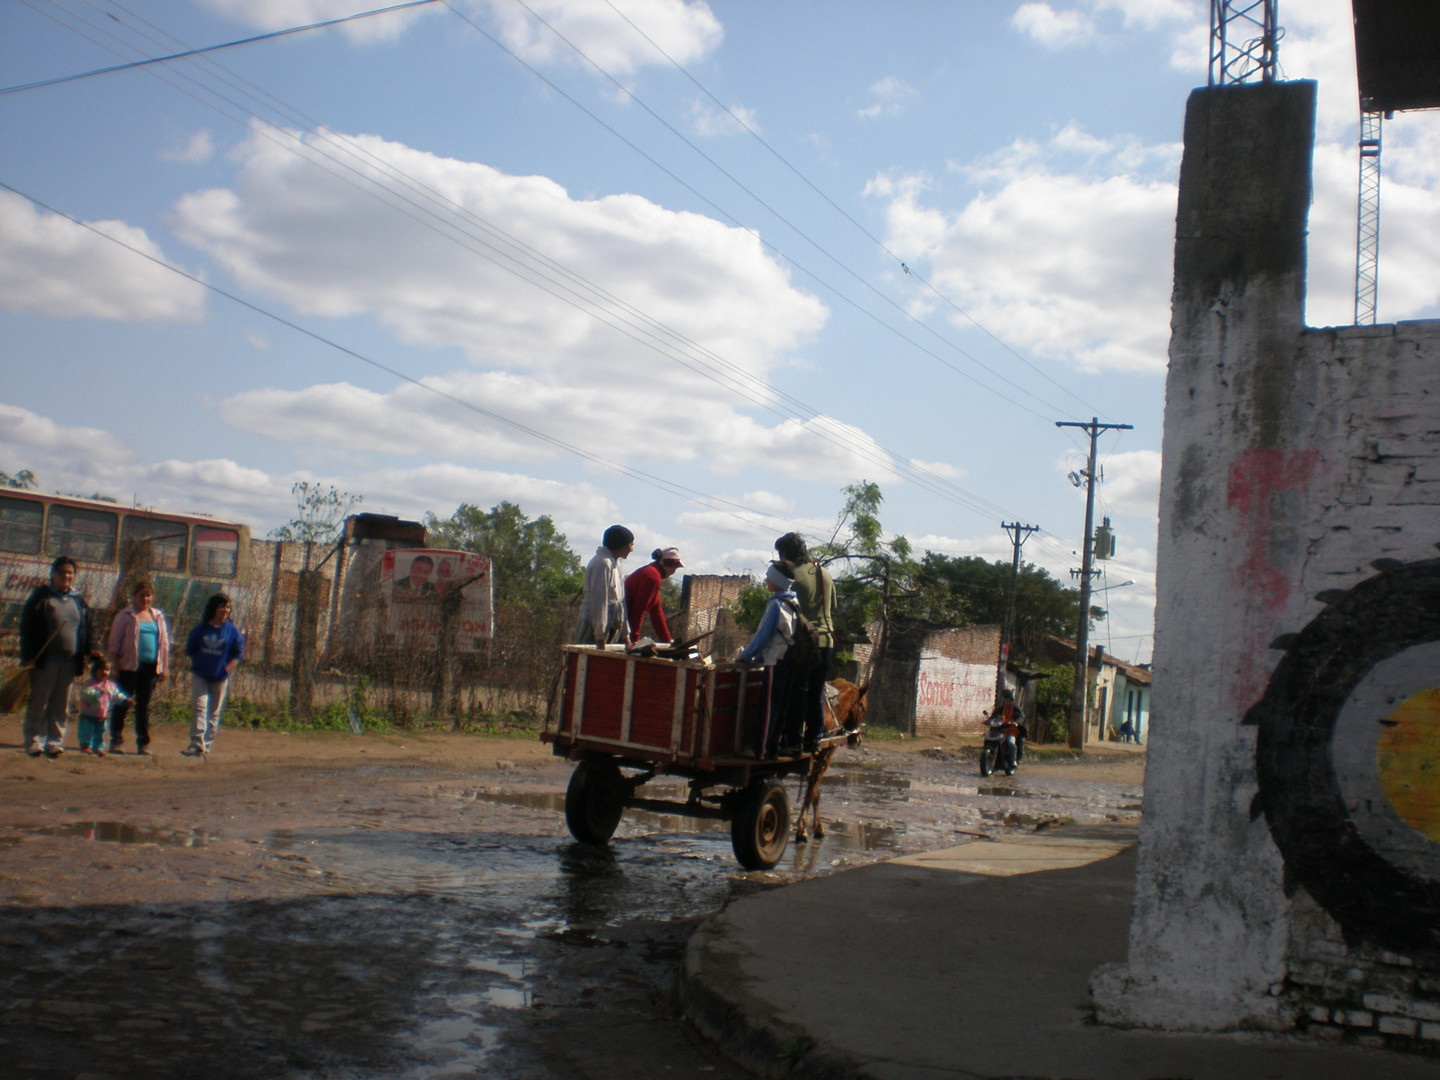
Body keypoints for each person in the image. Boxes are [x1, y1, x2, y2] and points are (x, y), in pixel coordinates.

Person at [19, 555, 92, 758]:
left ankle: (54, 741)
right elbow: (28, 629)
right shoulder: (41, 598)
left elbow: (86, 630)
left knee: (61, 705)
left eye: (70, 573)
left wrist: (87, 653)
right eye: (62, 572)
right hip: (45, 661)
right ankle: (34, 740)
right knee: (39, 702)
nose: (66, 576)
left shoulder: (79, 601)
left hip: (69, 662)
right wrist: (28, 656)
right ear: (53, 574)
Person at [774, 532, 835, 753]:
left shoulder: (794, 578)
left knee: (797, 691)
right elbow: (831, 607)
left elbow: (784, 613)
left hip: (805, 644)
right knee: (816, 691)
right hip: (827, 641)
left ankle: (792, 741)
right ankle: (814, 736)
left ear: (785, 555)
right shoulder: (825, 574)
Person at [737, 562, 799, 758]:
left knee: (768, 706)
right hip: (790, 658)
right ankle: (772, 747)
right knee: (781, 706)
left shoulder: (776, 604)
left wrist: (746, 656)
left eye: (769, 577)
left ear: (778, 581)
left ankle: (760, 750)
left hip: (776, 659)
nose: (766, 580)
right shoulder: (795, 602)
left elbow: (763, 636)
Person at [106, 578, 170, 755]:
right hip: (129, 667)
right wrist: (116, 666)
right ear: (134, 596)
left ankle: (143, 743)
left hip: (150, 669)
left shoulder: (157, 616)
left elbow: (164, 643)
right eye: (142, 595)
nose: (145, 599)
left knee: (143, 705)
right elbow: (115, 642)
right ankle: (116, 740)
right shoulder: (126, 615)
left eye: (148, 596)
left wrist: (164, 668)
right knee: (123, 703)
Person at [183, 594, 245, 757]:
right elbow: (190, 648)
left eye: (228, 607)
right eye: (222, 607)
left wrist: (227, 668)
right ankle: (196, 743)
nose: (225, 610)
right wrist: (200, 661)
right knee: (200, 707)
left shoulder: (231, 630)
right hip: (200, 674)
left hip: (220, 677)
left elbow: (238, 653)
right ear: (213, 608)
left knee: (214, 712)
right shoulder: (202, 628)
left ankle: (206, 746)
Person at [571, 525, 634, 647]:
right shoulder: (603, 563)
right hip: (592, 627)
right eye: (630, 545)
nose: (631, 549)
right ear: (621, 545)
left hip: (610, 627)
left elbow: (621, 601)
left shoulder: (617, 566)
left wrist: (626, 635)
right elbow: (599, 601)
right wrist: (599, 636)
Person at [625, 546, 683, 644]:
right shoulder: (652, 577)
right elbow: (638, 610)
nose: (674, 572)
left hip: (623, 624)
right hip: (621, 626)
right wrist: (634, 639)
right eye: (675, 568)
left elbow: (656, 612)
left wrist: (667, 640)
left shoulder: (652, 572)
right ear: (671, 566)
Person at [76, 655, 127, 758]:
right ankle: (85, 745)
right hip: (88, 714)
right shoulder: (90, 684)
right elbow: (86, 694)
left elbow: (117, 695)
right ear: (95, 671)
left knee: (100, 731)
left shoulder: (110, 685)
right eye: (102, 669)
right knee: (87, 730)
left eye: (107, 670)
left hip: (102, 715)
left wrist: (125, 700)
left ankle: (98, 747)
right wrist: (98, 692)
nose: (104, 672)